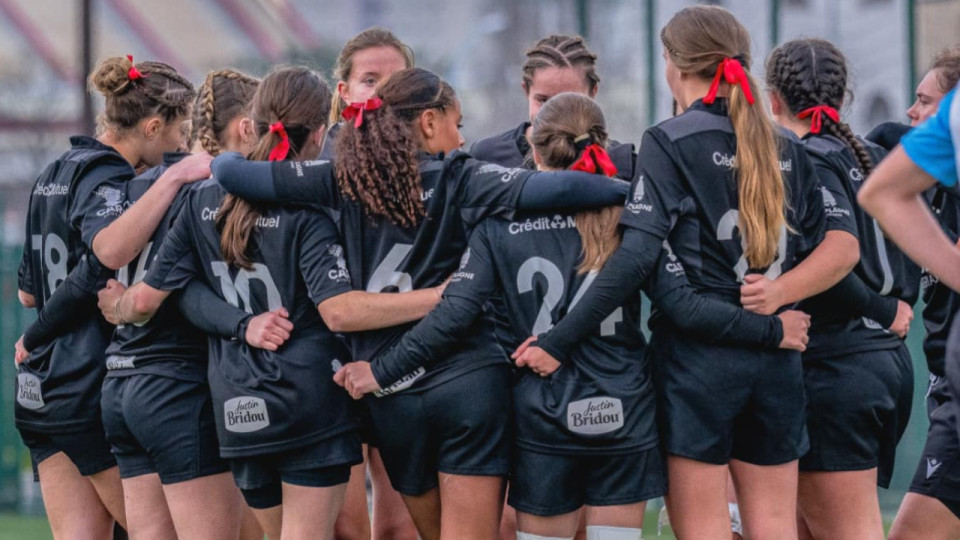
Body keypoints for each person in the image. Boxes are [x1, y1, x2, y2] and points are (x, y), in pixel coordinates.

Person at [340, 91, 814, 540]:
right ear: (603, 142)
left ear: (532, 146)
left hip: (543, 418)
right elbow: (685, 305)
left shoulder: (499, 224)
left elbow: (454, 314)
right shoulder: (631, 217)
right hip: (623, 413)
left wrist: (380, 371)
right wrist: (772, 329)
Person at [211, 67, 633, 540]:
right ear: (429, 122)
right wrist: (631, 196)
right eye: (457, 121)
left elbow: (231, 171)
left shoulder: (341, 177)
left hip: (392, 395)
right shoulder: (461, 175)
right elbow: (558, 187)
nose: (461, 135)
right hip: (465, 383)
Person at [513, 7, 860, 538]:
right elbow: (837, 248)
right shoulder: (787, 145)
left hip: (700, 366)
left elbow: (636, 258)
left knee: (703, 529)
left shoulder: (669, 139)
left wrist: (558, 339)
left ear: (674, 64)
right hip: (777, 364)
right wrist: (782, 299)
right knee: (773, 526)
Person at [15, 55, 209, 540]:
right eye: (180, 131)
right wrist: (172, 179)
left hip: (40, 389)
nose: (182, 145)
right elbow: (110, 247)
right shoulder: (108, 176)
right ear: (151, 125)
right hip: (85, 383)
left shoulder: (54, 170)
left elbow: (25, 293)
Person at [765, 38, 919, 540]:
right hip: (880, 364)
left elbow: (831, 261)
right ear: (842, 94)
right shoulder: (874, 154)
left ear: (772, 99)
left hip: (838, 365)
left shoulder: (801, 158)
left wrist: (878, 308)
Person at [323, 27, 420, 540]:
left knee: (399, 520)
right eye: (369, 79)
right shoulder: (318, 167)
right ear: (344, 93)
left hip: (403, 354)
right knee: (341, 523)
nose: (381, 92)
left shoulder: (436, 169)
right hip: (326, 355)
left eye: (395, 80)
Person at [860, 48, 960, 540]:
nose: (911, 112)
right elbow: (883, 163)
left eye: (926, 101)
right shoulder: (935, 185)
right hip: (944, 384)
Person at [470, 34, 635, 181]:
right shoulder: (487, 157)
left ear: (593, 93)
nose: (555, 112)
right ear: (526, 91)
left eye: (570, 100)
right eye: (543, 101)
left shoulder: (622, 161)